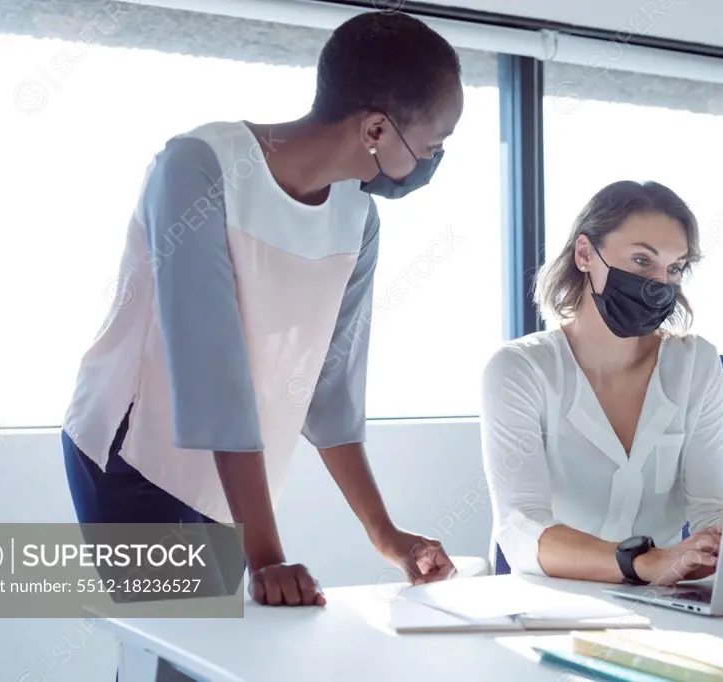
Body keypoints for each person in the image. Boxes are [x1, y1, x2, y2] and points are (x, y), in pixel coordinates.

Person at [60, 11, 464, 608]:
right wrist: (267, 556)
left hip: (230, 472)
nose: (431, 161)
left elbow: (332, 393)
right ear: (377, 128)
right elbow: (210, 369)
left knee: (212, 652)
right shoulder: (199, 167)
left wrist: (387, 538)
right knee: (174, 642)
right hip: (132, 449)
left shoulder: (358, 218)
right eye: (431, 146)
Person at [480, 180, 723, 587]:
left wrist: (717, 553)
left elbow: (717, 513)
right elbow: (519, 527)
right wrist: (643, 563)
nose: (658, 284)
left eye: (674, 268)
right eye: (641, 261)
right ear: (585, 254)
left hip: (663, 600)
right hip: (552, 600)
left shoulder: (696, 364)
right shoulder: (518, 369)